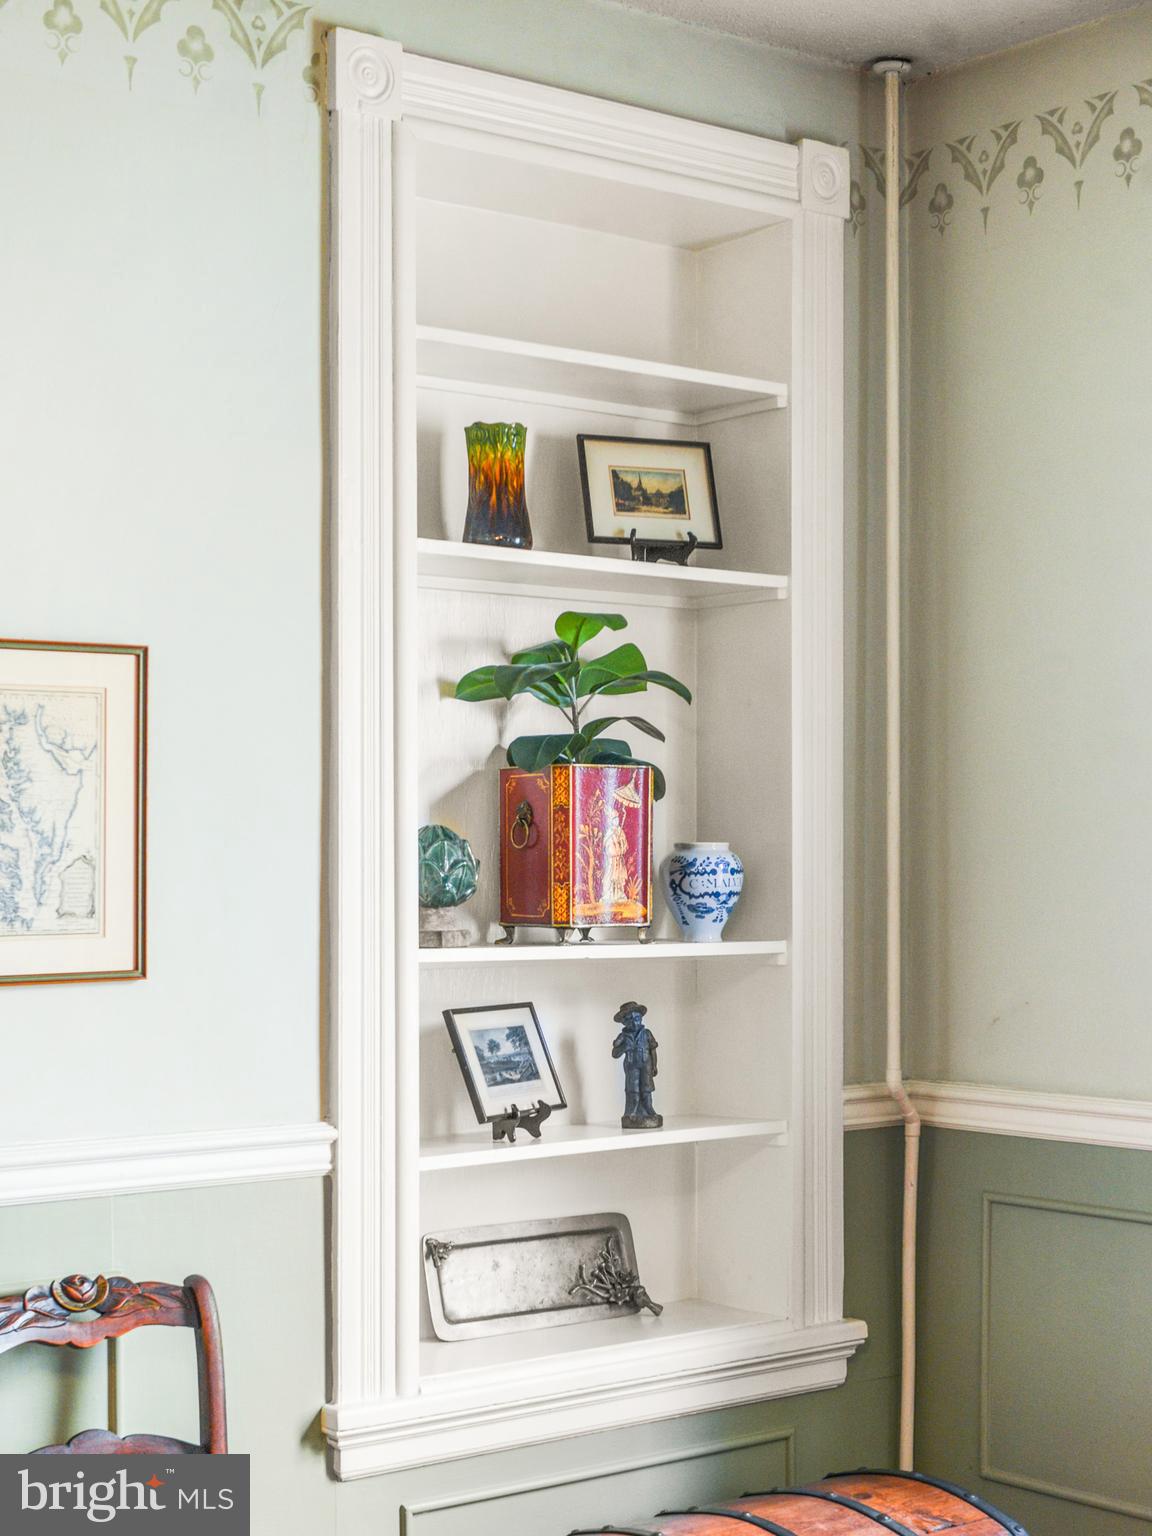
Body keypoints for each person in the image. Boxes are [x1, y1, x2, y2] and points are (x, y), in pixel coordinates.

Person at [611, 1001, 661, 1129]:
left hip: (646, 1064)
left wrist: (655, 1065)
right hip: (631, 1065)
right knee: (633, 1089)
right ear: (624, 1022)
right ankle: (631, 1111)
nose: (634, 1022)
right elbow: (615, 1053)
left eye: (637, 1018)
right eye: (630, 1020)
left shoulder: (646, 1033)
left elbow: (653, 1050)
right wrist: (623, 1048)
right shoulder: (623, 1036)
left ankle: (649, 1109)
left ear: (641, 1018)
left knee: (646, 1088)